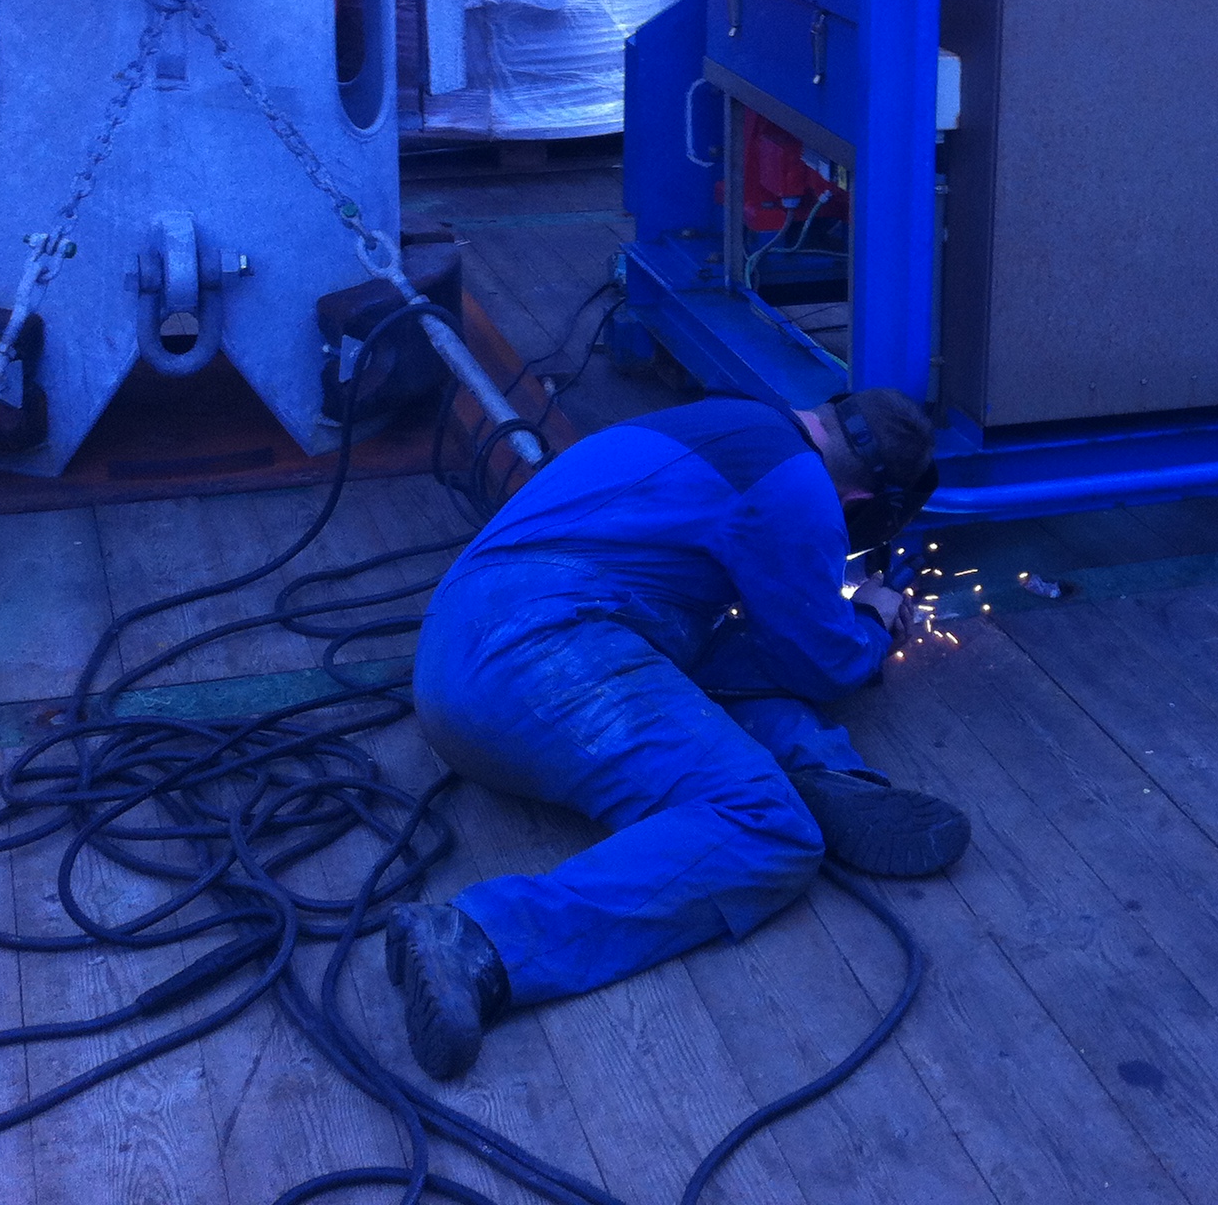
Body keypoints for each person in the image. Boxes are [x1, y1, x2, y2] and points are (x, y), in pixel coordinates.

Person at [385, 388, 965, 1080]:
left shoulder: (732, 421)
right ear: (861, 504)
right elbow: (824, 660)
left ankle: (818, 769)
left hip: (471, 646)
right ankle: (483, 941)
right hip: (534, 662)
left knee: (731, 647)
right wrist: (870, 619)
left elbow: (767, 639)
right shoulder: (798, 488)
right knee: (767, 825)